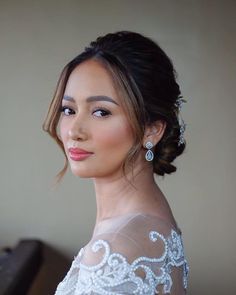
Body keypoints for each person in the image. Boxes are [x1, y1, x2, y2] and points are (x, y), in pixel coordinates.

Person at [43, 31, 189, 294]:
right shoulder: (153, 224)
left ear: (151, 130)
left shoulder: (116, 252)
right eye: (69, 110)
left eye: (101, 112)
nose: (74, 131)